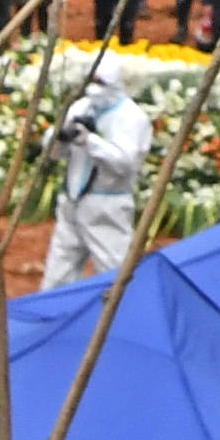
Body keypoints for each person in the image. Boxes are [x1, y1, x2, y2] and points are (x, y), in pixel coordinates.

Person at [44, 62, 158, 286]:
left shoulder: (132, 117)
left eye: (101, 83)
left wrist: (90, 142)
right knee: (56, 277)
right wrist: (58, 137)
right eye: (91, 82)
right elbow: (54, 152)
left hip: (107, 206)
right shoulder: (80, 107)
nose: (94, 89)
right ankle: (53, 317)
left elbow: (126, 163)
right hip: (72, 202)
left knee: (115, 277)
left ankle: (121, 319)